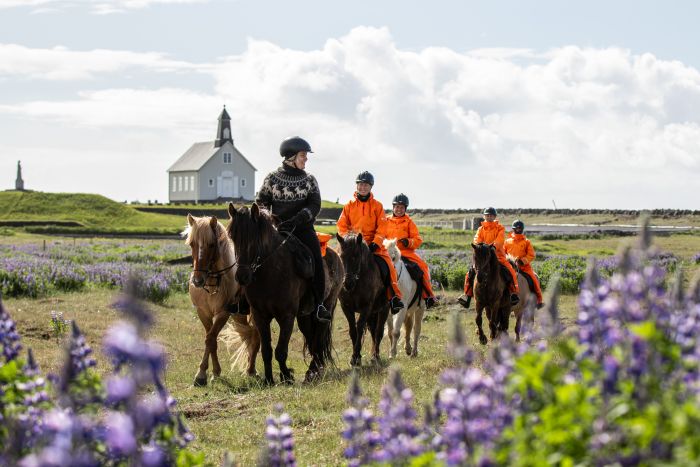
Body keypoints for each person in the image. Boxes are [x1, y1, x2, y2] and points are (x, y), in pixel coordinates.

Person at [227, 136, 332, 322]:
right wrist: (271, 219)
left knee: (316, 257)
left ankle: (319, 304)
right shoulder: (272, 178)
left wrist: (298, 219)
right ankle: (242, 299)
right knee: (248, 257)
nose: (306, 159)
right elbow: (260, 203)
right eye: (303, 155)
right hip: (275, 230)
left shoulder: (309, 180)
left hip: (302, 229)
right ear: (291, 157)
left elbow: (315, 205)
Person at [337, 171, 405, 314]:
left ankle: (394, 297)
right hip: (352, 245)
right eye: (360, 184)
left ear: (371, 187)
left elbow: (382, 227)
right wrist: (348, 241)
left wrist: (376, 242)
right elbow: (342, 225)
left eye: (366, 185)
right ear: (357, 186)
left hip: (372, 244)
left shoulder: (377, 206)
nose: (363, 187)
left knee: (388, 266)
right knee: (334, 261)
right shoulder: (348, 206)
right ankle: (329, 294)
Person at [384, 193, 439, 309]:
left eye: (402, 207)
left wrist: (408, 242)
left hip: (405, 252)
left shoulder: (409, 222)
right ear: (393, 207)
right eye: (397, 207)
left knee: (423, 266)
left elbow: (418, 239)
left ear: (405, 209)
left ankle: (428, 296)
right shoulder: (385, 220)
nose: (399, 210)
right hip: (387, 251)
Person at [458, 207, 520, 308]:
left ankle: (513, 293)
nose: (489, 217)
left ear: (494, 216)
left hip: (498, 255)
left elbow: (500, 240)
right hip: (483, 257)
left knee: (510, 270)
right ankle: (467, 296)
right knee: (469, 273)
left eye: (491, 215)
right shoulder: (480, 229)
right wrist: (480, 247)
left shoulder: (500, 228)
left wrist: (493, 247)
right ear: (484, 216)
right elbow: (477, 239)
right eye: (487, 215)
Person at [505, 219, 545, 309]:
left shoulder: (527, 242)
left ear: (522, 229)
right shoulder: (507, 241)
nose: (518, 230)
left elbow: (531, 255)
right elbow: (503, 253)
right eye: (516, 228)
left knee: (534, 279)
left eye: (519, 229)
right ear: (513, 229)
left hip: (524, 267)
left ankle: (539, 300)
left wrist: (522, 261)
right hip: (510, 267)